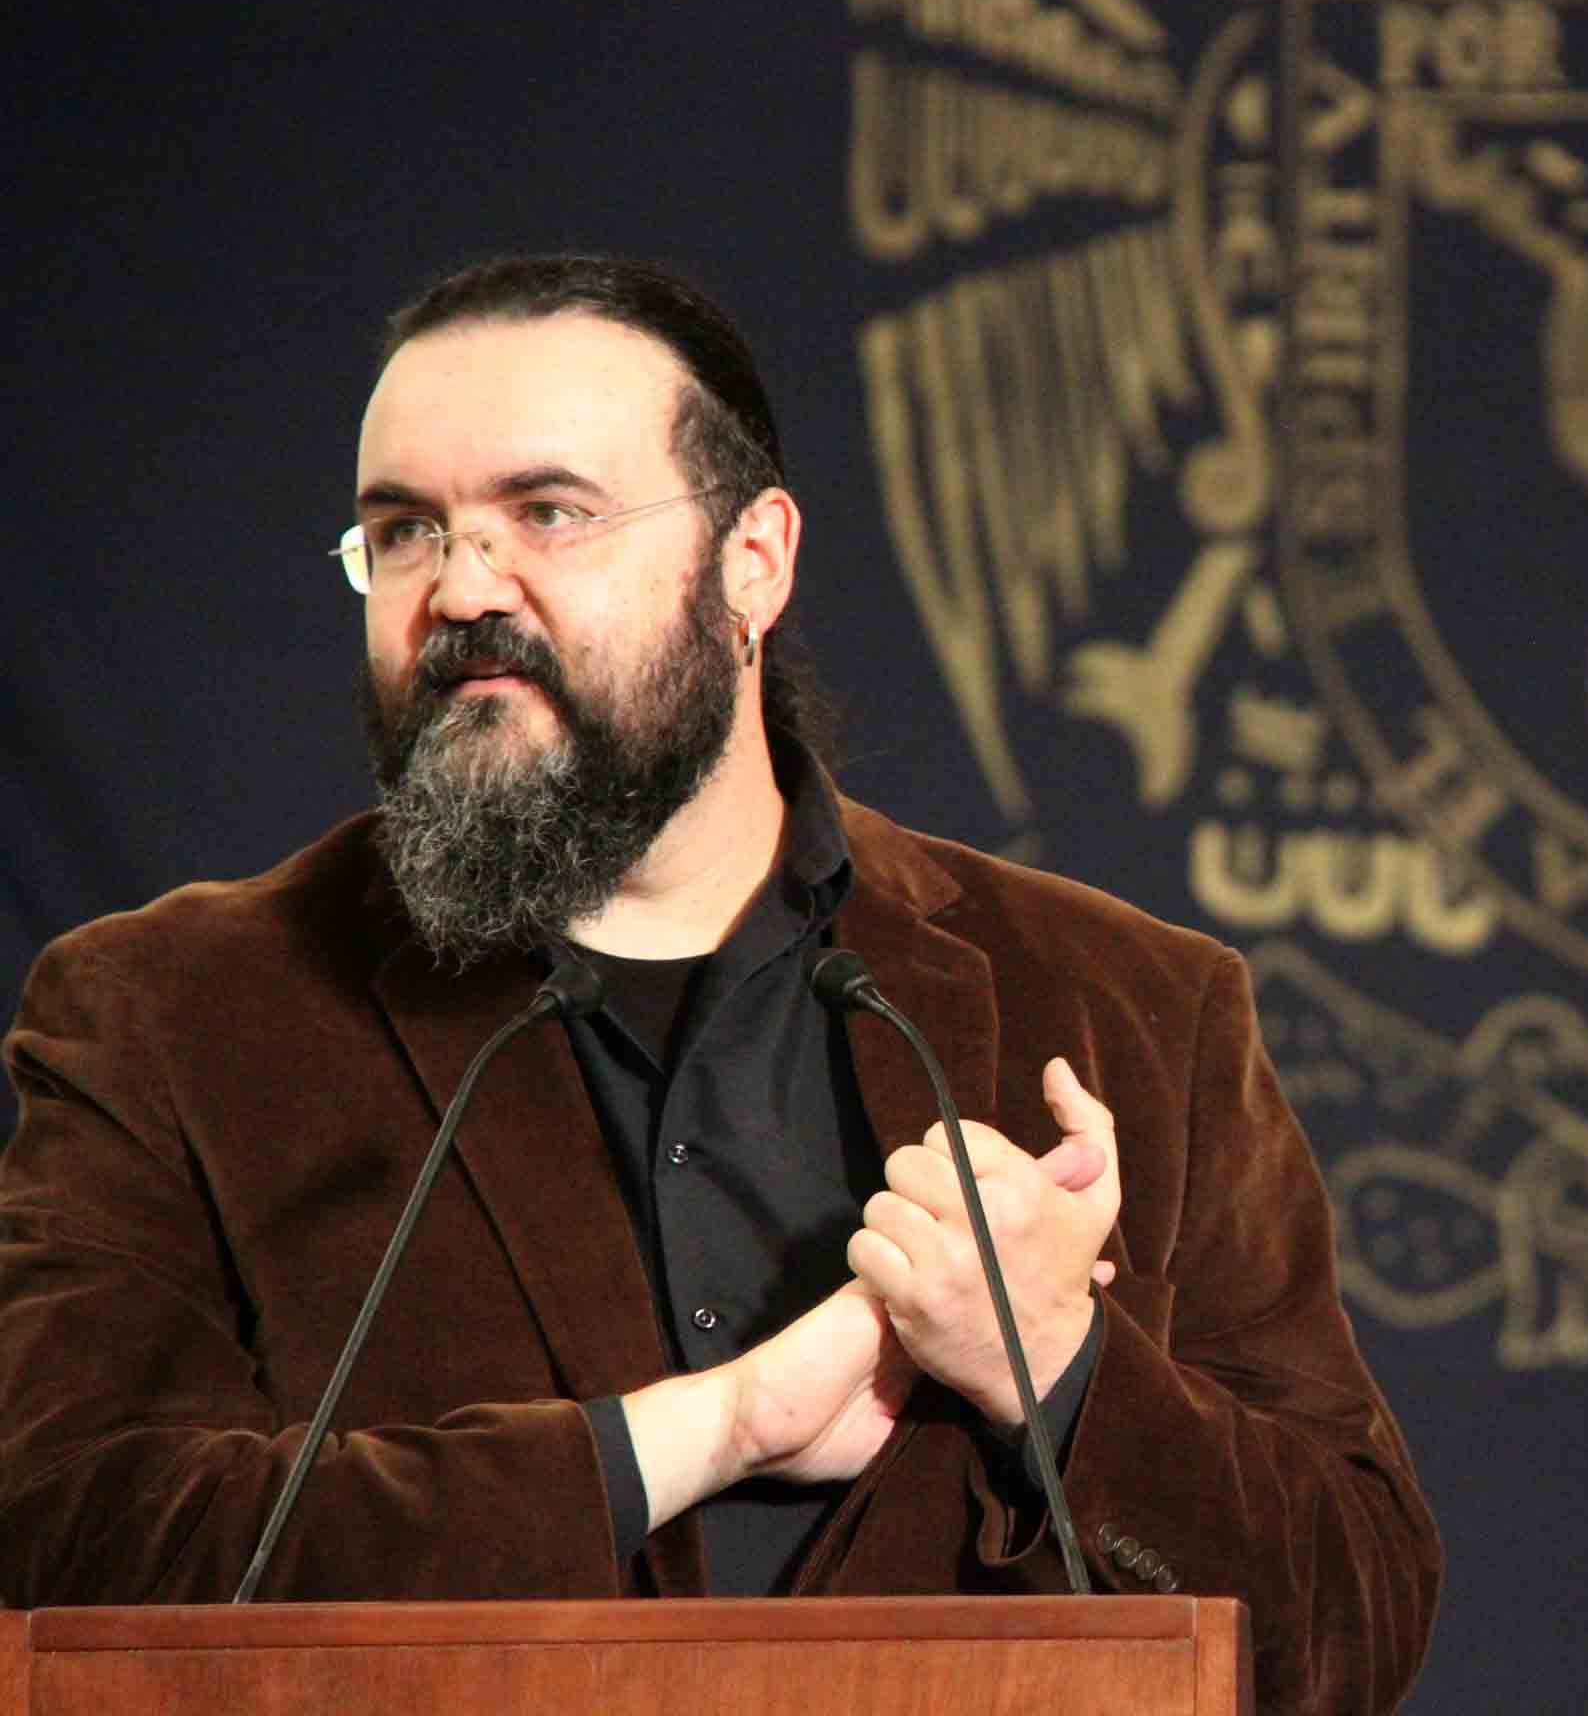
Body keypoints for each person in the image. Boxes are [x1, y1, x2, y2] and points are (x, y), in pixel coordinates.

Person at [0, 255, 1441, 1715]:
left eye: (548, 513)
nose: (462, 589)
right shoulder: (176, 1014)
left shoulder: (1130, 1002)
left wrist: (1061, 1368)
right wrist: (706, 1430)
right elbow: (61, 1548)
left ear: (753, 560)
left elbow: (1351, 1626)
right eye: (404, 531)